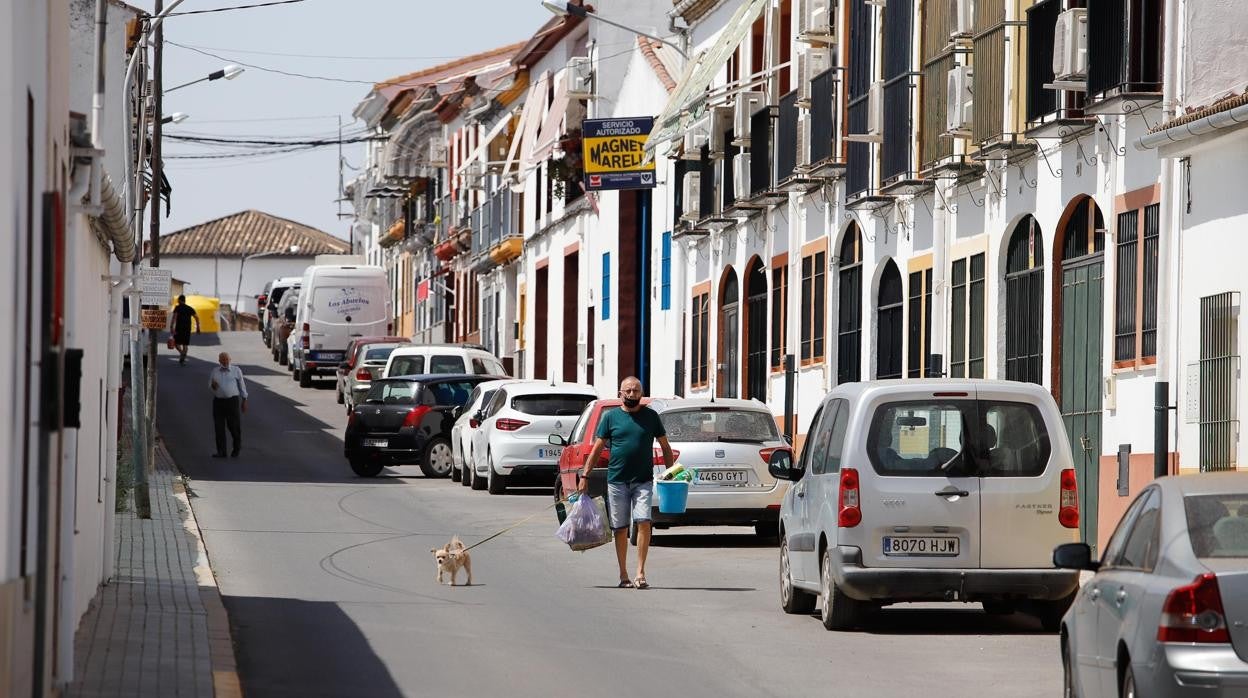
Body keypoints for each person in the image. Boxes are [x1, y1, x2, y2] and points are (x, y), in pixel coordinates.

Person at [578, 376, 674, 589]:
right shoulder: (611, 417)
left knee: (644, 522)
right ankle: (623, 574)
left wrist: (671, 474)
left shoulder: (651, 417)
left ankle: (640, 572)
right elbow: (597, 449)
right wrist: (585, 476)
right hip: (617, 482)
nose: (632, 394)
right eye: (628, 391)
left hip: (643, 481)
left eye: (636, 390)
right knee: (620, 528)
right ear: (620, 393)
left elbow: (665, 447)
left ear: (641, 393)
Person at [209, 352, 248, 458]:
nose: (225, 362)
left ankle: (236, 448)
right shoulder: (215, 371)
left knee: (233, 426)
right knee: (219, 427)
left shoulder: (236, 370)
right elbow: (210, 385)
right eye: (223, 360)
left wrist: (244, 400)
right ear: (219, 361)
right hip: (218, 402)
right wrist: (213, 385)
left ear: (230, 360)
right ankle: (221, 451)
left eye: (227, 360)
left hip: (232, 401)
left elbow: (242, 386)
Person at [168, 295, 200, 365]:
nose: (178, 302)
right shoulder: (190, 308)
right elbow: (197, 318)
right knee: (185, 345)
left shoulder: (177, 308)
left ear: (180, 300)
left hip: (179, 329)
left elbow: (174, 318)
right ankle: (183, 356)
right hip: (187, 329)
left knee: (176, 343)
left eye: (178, 300)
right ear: (184, 300)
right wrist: (198, 328)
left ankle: (182, 354)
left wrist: (171, 327)